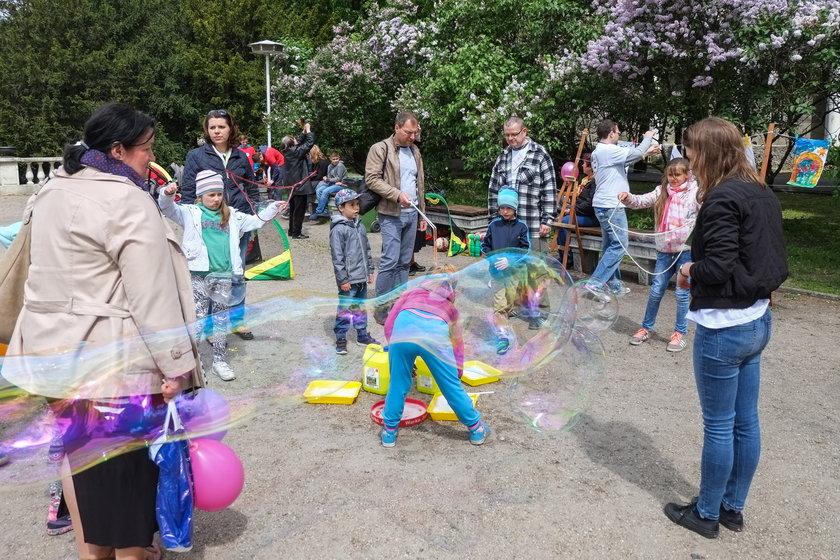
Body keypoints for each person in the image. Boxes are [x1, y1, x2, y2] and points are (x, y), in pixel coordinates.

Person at [2, 102, 202, 560]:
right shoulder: (126, 199)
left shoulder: (54, 187)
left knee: (79, 458)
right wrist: (176, 366)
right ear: (117, 149)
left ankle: (92, 553)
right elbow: (151, 296)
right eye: (146, 149)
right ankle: (129, 555)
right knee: (126, 470)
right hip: (109, 357)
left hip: (50, 353)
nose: (150, 160)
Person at [663, 117, 788, 538]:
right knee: (745, 421)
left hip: (725, 328)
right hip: (756, 321)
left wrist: (688, 270)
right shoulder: (760, 191)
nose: (688, 159)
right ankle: (732, 508)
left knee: (719, 424)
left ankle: (707, 513)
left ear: (711, 152)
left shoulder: (721, 200)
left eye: (692, 151)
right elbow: (767, 259)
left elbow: (717, 267)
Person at [159, 170, 283, 381]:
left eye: (219, 194)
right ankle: (193, 363)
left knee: (220, 319)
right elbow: (166, 208)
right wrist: (167, 193)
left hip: (224, 275)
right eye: (211, 195)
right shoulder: (190, 212)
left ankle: (219, 360)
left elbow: (256, 221)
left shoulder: (232, 215)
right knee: (198, 319)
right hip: (198, 275)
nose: (216, 199)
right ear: (200, 196)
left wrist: (273, 208)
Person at [381, 264, 490, 447]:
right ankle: (476, 429)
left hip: (402, 333)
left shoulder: (409, 294)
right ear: (452, 286)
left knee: (398, 384)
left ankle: (389, 433)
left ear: (427, 279)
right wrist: (457, 371)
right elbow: (457, 344)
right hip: (434, 338)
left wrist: (396, 349)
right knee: (451, 387)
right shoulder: (450, 308)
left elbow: (389, 324)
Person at [183, 109, 258, 340]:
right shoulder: (197, 155)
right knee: (209, 274)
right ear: (207, 130)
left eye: (221, 127)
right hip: (208, 226)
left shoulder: (241, 156)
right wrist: (192, 224)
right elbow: (187, 192)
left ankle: (237, 321)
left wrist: (251, 219)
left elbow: (252, 189)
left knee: (236, 273)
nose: (217, 131)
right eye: (212, 127)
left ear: (230, 129)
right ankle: (208, 323)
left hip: (235, 224)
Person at [619, 158, 699, 352]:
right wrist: (627, 197)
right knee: (656, 291)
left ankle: (680, 334)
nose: (673, 178)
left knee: (681, 294)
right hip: (664, 251)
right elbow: (640, 201)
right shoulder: (661, 191)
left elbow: (703, 216)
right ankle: (646, 328)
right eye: (670, 175)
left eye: (677, 175)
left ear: (687, 175)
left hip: (685, 252)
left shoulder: (696, 193)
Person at [365, 111, 427, 322]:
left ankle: (400, 304)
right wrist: (396, 194)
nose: (412, 137)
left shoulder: (415, 151)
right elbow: (371, 179)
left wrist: (422, 216)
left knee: (404, 263)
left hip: (413, 213)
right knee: (390, 261)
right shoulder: (380, 148)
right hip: (391, 213)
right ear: (397, 128)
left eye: (415, 133)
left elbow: (420, 184)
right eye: (409, 132)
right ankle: (381, 307)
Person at [589, 120, 656, 296]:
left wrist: (646, 152)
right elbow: (637, 151)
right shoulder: (608, 150)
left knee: (610, 245)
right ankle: (595, 283)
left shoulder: (600, 151)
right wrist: (648, 138)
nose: (619, 136)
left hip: (603, 204)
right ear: (611, 133)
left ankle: (613, 284)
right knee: (620, 245)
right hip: (611, 206)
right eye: (618, 133)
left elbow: (624, 162)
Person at [488, 116, 556, 252]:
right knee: (508, 268)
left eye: (514, 134)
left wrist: (547, 220)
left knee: (535, 268)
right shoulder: (503, 156)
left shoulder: (539, 154)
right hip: (506, 227)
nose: (510, 138)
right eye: (507, 135)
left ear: (524, 131)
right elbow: (493, 191)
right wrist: (492, 221)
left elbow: (549, 189)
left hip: (532, 224)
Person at [328, 188, 380, 354]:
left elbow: (367, 250)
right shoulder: (338, 229)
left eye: (357, 204)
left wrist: (370, 270)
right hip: (348, 281)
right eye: (352, 205)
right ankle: (341, 338)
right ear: (341, 208)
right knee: (345, 309)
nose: (356, 208)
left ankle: (362, 334)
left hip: (361, 278)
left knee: (360, 308)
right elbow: (338, 257)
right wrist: (343, 279)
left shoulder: (360, 226)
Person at [480, 186, 530, 354]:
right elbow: (485, 245)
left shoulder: (522, 227)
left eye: (509, 208)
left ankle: (505, 322)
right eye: (502, 208)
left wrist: (511, 260)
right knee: (500, 306)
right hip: (497, 274)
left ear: (515, 208)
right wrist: (491, 257)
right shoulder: (494, 225)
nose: (505, 211)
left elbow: (526, 250)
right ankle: (502, 338)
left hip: (514, 274)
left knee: (508, 304)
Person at [555, 152, 599, 270]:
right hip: (581, 213)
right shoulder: (586, 180)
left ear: (590, 166)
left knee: (564, 222)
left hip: (592, 217)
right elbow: (579, 199)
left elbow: (589, 205)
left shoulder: (595, 182)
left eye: (584, 164)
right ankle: (563, 255)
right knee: (558, 221)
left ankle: (568, 259)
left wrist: (572, 210)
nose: (582, 166)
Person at [281, 121, 316, 239]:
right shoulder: (296, 151)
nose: (296, 139)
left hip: (291, 185)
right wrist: (309, 130)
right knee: (299, 210)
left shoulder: (288, 151)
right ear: (292, 143)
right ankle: (297, 233)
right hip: (299, 186)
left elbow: (299, 142)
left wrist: (303, 131)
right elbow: (310, 143)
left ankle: (292, 230)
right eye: (294, 139)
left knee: (293, 209)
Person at [311, 150, 348, 220]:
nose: (335, 161)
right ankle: (324, 210)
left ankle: (318, 211)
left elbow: (338, 178)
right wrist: (326, 178)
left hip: (341, 184)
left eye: (337, 159)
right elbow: (329, 176)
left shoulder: (340, 165)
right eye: (333, 159)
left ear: (339, 158)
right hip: (332, 183)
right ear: (330, 159)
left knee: (326, 191)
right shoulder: (330, 166)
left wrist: (328, 179)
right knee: (319, 190)